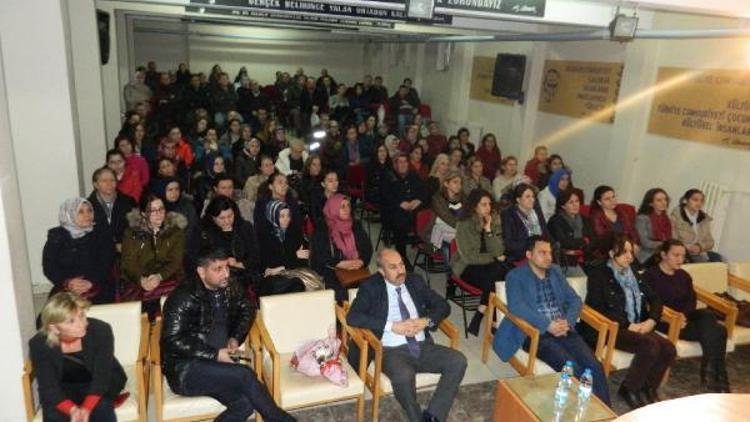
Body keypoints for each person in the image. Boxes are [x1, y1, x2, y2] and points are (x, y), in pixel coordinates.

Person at [161, 248, 295, 422]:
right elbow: (172, 340)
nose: (225, 274)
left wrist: (235, 337)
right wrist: (215, 354)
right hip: (186, 369)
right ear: (201, 272)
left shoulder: (229, 286)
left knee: (244, 404)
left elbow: (247, 307)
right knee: (245, 374)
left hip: (217, 365)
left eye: (226, 267)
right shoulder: (183, 297)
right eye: (217, 269)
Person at [347, 248, 467, 422]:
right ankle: (415, 417)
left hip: (422, 345)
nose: (400, 271)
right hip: (391, 350)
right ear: (381, 271)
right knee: (404, 376)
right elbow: (353, 316)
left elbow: (443, 305)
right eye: (393, 267)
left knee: (458, 361)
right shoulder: (371, 286)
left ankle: (433, 415)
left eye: (401, 264)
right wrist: (392, 326)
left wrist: (425, 321)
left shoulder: (414, 281)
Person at [493, 236, 611, 405]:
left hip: (564, 328)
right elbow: (517, 307)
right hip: (536, 333)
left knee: (595, 367)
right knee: (572, 369)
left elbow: (575, 300)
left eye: (549, 253)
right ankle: (585, 411)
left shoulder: (555, 271)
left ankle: (607, 415)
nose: (548, 257)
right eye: (542, 253)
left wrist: (567, 322)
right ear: (529, 254)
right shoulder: (515, 276)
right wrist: (548, 325)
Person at [584, 235, 676, 409]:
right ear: (612, 253)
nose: (629, 256)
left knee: (669, 348)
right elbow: (597, 307)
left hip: (638, 324)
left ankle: (648, 388)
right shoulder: (598, 275)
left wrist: (652, 320)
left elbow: (655, 298)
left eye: (631, 252)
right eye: (624, 252)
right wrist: (627, 325)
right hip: (612, 327)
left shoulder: (633, 273)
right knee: (650, 345)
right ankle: (629, 389)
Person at [643, 239, 730, 392]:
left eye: (682, 256)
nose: (680, 259)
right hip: (665, 321)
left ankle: (711, 373)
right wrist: (676, 317)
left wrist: (683, 315)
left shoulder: (683, 276)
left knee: (708, 315)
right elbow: (652, 304)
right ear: (663, 255)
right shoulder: (651, 276)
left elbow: (691, 299)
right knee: (719, 331)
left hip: (685, 319)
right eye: (675, 255)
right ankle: (717, 377)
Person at [30, 292, 126, 422]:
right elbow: (49, 386)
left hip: (98, 381)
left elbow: (101, 377)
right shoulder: (39, 344)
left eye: (81, 315)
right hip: (62, 386)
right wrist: (73, 410)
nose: (82, 323)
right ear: (54, 328)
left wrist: (86, 408)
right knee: (54, 414)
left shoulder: (101, 330)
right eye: (71, 321)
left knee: (102, 408)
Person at [452, 189, 507, 336]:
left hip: (489, 268)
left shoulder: (493, 221)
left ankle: (481, 313)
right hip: (467, 268)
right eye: (483, 204)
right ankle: (492, 320)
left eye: (489, 204)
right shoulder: (464, 224)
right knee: (499, 273)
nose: (488, 208)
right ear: (474, 206)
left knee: (500, 272)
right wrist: (494, 258)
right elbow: (469, 257)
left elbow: (499, 250)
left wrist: (488, 230)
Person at [121, 194, 186, 317]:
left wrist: (159, 276)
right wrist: (142, 280)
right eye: (152, 210)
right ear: (144, 214)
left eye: (161, 209)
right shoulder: (131, 233)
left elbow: (176, 261)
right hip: (140, 280)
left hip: (168, 278)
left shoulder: (175, 232)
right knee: (144, 308)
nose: (158, 213)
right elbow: (128, 263)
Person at [43, 198, 117, 304]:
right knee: (54, 315)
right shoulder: (57, 237)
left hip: (98, 285)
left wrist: (90, 282)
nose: (87, 215)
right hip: (66, 287)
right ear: (70, 214)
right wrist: (68, 283)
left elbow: (106, 263)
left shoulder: (102, 235)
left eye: (89, 211)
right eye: (81, 212)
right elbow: (49, 267)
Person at [310, 194, 372, 301]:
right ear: (333, 208)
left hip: (356, 270)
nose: (347, 209)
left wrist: (361, 261)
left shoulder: (355, 225)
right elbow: (319, 256)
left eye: (348, 206)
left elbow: (367, 248)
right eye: (342, 206)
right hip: (331, 271)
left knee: (370, 291)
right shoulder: (323, 228)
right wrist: (340, 263)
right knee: (341, 296)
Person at [197, 196, 261, 292]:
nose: (227, 221)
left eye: (230, 216)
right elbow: (199, 259)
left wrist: (239, 264)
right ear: (213, 218)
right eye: (222, 218)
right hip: (215, 277)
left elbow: (256, 257)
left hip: (243, 276)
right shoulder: (204, 232)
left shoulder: (245, 228)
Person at [381, 154, 427, 266]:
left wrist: (418, 200)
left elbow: (425, 190)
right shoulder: (389, 176)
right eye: (400, 162)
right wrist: (400, 204)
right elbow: (385, 195)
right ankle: (402, 254)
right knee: (400, 222)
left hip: (413, 209)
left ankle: (432, 250)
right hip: (394, 210)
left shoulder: (413, 175)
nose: (403, 164)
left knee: (430, 219)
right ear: (395, 165)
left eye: (405, 161)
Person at [256, 199, 308, 296]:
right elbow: (267, 264)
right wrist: (294, 256)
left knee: (297, 284)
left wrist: (280, 268)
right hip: (273, 281)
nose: (286, 219)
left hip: (294, 276)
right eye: (282, 216)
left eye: (288, 215)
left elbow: (303, 260)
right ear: (272, 216)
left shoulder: (294, 233)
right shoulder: (264, 237)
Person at [87, 167, 136, 251]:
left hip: (124, 251)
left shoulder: (128, 202)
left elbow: (136, 227)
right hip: (97, 252)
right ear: (95, 184)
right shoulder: (87, 206)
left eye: (112, 180)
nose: (109, 184)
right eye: (104, 181)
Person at [547, 189, 592, 276]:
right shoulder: (556, 221)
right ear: (563, 206)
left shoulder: (584, 219)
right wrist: (584, 241)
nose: (575, 205)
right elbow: (565, 243)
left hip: (586, 258)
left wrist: (579, 245)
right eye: (571, 202)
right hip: (565, 260)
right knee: (582, 280)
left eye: (577, 201)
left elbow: (593, 240)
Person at [589, 185, 639, 263]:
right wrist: (624, 247)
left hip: (626, 249)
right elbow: (603, 240)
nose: (612, 201)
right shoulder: (596, 216)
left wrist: (633, 243)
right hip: (608, 253)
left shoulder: (621, 212)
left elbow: (632, 231)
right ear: (599, 202)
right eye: (607, 199)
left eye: (613, 197)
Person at [501, 183, 549, 265]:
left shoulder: (537, 211)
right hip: (521, 255)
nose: (532, 199)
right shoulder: (509, 215)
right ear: (518, 200)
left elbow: (545, 233)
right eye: (527, 197)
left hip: (541, 252)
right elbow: (509, 243)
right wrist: (531, 247)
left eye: (533, 196)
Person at [670, 189, 721, 263]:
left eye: (701, 201)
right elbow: (673, 240)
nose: (699, 203)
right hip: (682, 253)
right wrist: (688, 248)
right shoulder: (675, 217)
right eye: (695, 200)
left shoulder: (704, 219)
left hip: (700, 252)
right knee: (705, 264)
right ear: (686, 200)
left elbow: (710, 242)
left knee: (721, 260)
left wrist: (699, 247)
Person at [426, 170, 465, 259]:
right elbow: (447, 217)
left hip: (457, 230)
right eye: (455, 182)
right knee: (440, 229)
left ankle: (433, 249)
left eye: (460, 183)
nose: (459, 185)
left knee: (440, 231)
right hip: (451, 226)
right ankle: (435, 250)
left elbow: (469, 213)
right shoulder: (437, 198)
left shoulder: (463, 197)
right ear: (446, 184)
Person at [636, 188, 672, 264]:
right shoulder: (642, 219)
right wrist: (664, 245)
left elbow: (670, 238)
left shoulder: (666, 218)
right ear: (650, 203)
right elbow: (645, 242)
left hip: (664, 252)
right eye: (659, 200)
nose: (664, 203)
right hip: (648, 254)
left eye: (665, 199)